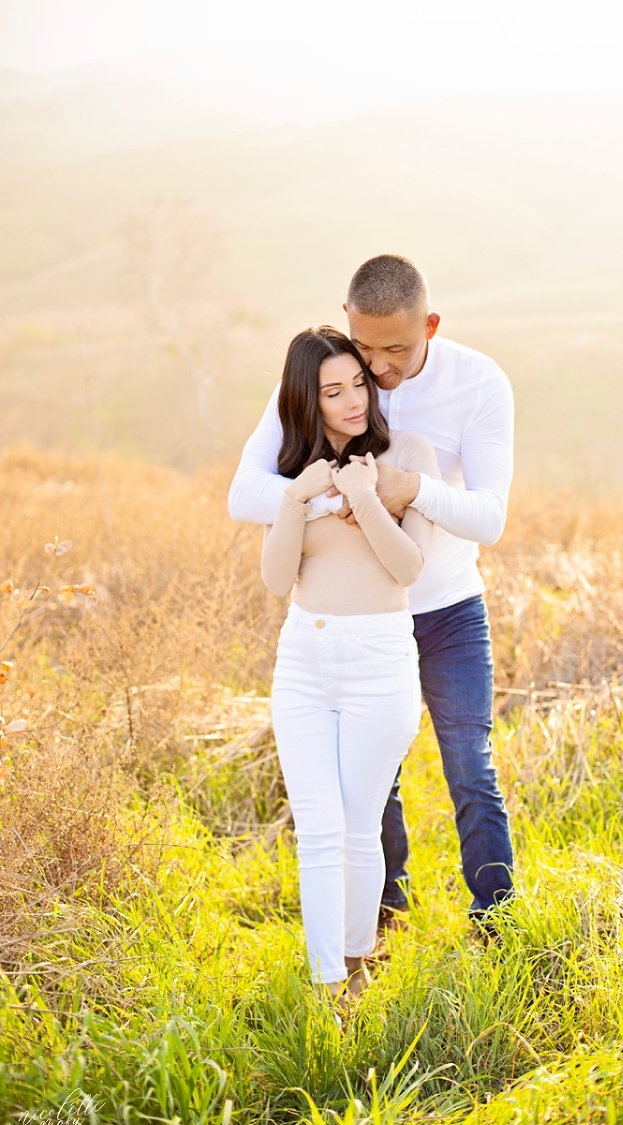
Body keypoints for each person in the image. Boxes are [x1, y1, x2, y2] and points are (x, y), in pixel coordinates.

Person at [230, 255, 515, 934]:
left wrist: (410, 490)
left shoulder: (478, 383)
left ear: (431, 327)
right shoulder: (332, 376)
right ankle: (383, 916)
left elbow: (490, 517)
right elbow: (247, 491)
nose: (377, 372)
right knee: (372, 783)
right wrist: (333, 500)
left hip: (447, 609)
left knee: (469, 765)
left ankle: (497, 921)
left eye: (396, 350)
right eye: (365, 349)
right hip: (360, 622)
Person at [258, 324, 440, 1004]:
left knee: (362, 825)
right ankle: (326, 984)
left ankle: (357, 964)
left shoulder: (405, 454)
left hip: (379, 659)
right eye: (331, 392)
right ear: (309, 400)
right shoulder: (294, 472)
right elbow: (278, 581)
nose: (350, 402)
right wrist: (293, 499)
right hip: (304, 657)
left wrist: (365, 497)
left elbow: (409, 568)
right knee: (319, 831)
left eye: (356, 384)